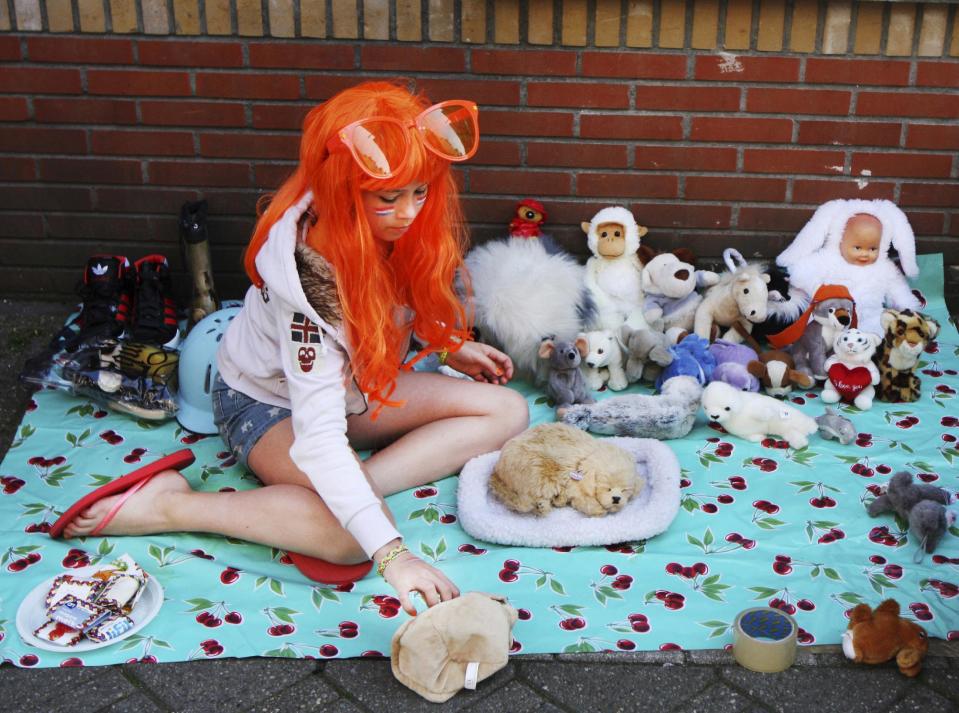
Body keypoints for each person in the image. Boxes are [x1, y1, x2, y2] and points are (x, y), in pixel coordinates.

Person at [57, 81, 530, 616]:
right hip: (265, 406)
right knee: (357, 542)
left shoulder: (380, 226)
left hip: (354, 389)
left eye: (420, 192)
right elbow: (319, 435)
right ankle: (173, 506)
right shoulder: (308, 292)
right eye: (388, 197)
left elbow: (401, 296)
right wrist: (393, 555)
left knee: (506, 409)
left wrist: (447, 348)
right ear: (344, 189)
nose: (408, 213)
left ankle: (349, 492)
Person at [776, 199, 921, 335]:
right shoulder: (828, 260)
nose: (865, 254)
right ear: (840, 239)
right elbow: (801, 273)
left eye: (872, 249)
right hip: (830, 319)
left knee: (881, 330)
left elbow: (898, 290)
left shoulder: (884, 268)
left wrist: (907, 308)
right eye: (857, 247)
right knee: (815, 331)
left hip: (869, 321)